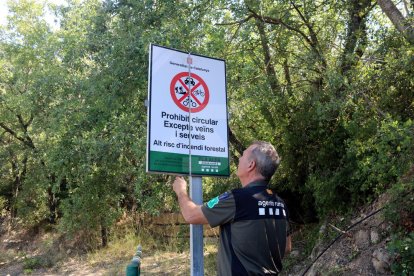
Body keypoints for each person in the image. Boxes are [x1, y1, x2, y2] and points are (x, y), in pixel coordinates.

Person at [172, 141, 292, 275]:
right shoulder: (280, 203)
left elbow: (191, 215)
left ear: (251, 165)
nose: (239, 158)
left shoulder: (237, 198)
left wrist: (181, 191)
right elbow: (286, 247)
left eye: (243, 155)